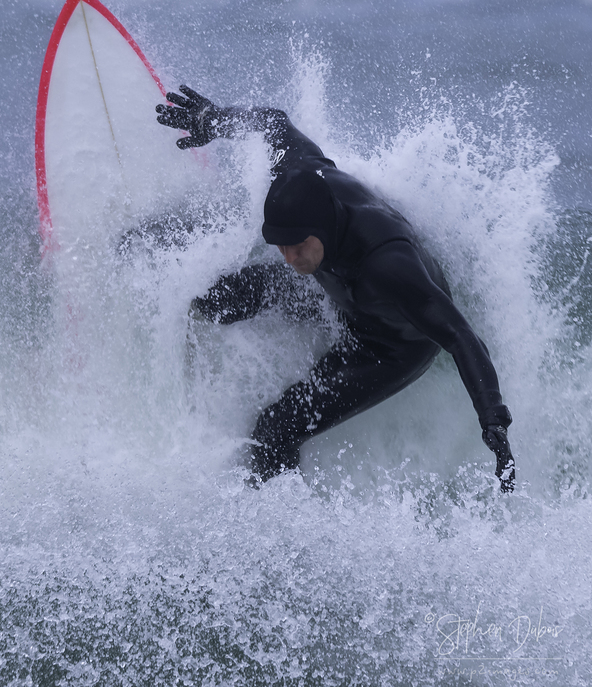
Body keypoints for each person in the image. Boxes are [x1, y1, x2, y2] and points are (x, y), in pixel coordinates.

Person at [156, 86, 516, 492]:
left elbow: (461, 336)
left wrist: (494, 424)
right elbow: (274, 121)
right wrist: (213, 120)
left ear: (321, 229)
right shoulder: (299, 171)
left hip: (389, 346)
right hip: (333, 293)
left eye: (296, 247)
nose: (287, 259)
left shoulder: (389, 266)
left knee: (276, 427)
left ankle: (277, 529)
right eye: (280, 246)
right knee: (218, 299)